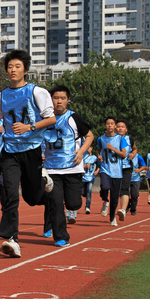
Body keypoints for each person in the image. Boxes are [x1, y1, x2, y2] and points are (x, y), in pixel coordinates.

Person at [0, 49, 56, 257]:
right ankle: (11, 239)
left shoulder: (37, 92)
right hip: (9, 151)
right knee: (9, 194)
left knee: (32, 197)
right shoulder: (0, 96)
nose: (13, 70)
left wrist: (29, 127)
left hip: (32, 150)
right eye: (9, 67)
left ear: (25, 70)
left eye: (17, 66)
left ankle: (43, 180)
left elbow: (51, 119)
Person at [43, 85, 93, 244]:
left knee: (73, 203)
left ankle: (72, 204)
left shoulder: (73, 118)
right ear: (51, 99)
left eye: (62, 98)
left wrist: (81, 152)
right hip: (52, 169)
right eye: (56, 98)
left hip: (72, 167)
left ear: (67, 100)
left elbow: (90, 135)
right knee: (56, 204)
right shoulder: (43, 118)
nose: (59, 101)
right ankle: (61, 237)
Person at [97, 117, 128, 226]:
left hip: (117, 172)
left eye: (112, 124)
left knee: (115, 197)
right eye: (107, 124)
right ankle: (105, 200)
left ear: (115, 126)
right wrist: (99, 156)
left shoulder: (120, 139)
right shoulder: (101, 139)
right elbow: (98, 150)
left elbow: (124, 155)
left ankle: (112, 218)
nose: (109, 125)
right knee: (105, 187)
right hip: (105, 169)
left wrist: (113, 149)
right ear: (105, 126)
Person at [115, 119, 137, 222]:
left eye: (122, 127)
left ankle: (123, 210)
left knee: (124, 188)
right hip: (114, 167)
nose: (120, 128)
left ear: (126, 129)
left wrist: (133, 154)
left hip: (126, 167)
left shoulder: (130, 139)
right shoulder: (111, 139)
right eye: (118, 126)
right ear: (115, 128)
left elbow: (134, 149)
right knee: (114, 189)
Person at [82, 146, 100, 214]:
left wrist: (97, 171)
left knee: (89, 191)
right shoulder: (83, 157)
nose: (87, 149)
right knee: (83, 193)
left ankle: (87, 207)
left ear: (91, 148)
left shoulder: (94, 158)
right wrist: (85, 166)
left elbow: (99, 165)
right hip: (83, 178)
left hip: (91, 177)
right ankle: (86, 196)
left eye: (88, 147)